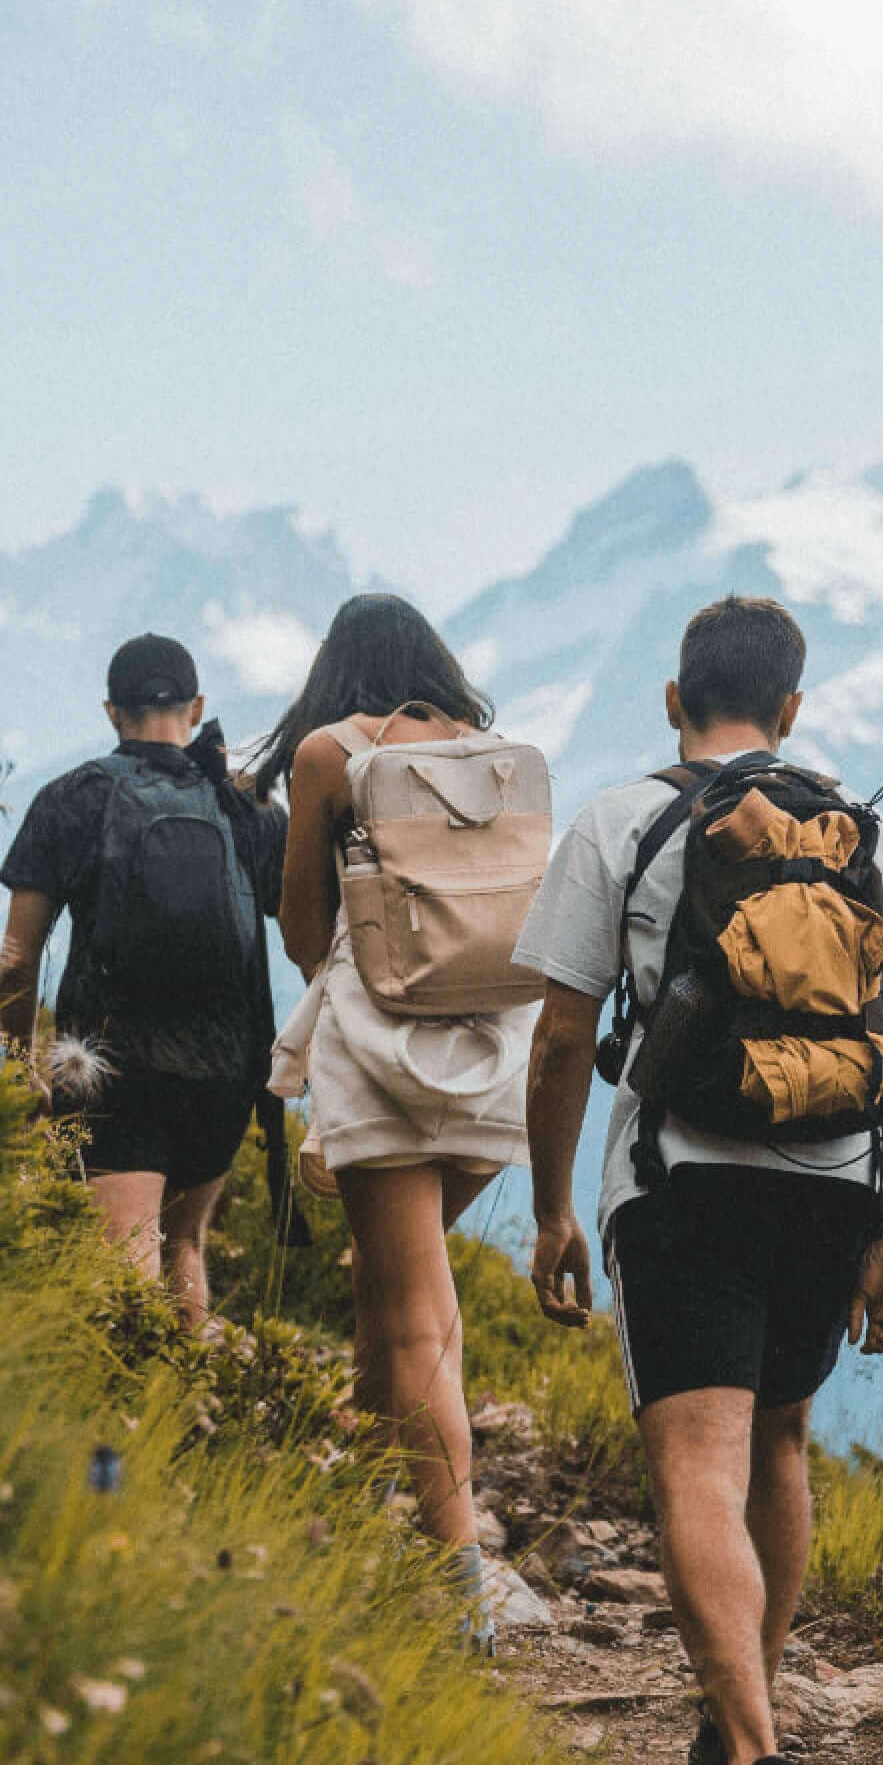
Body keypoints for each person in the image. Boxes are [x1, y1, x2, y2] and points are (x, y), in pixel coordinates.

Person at [516, 594, 883, 1765]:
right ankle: (738, 1730)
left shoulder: (623, 819)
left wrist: (552, 1206)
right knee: (780, 1442)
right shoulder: (871, 834)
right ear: (794, 708)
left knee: (695, 1466)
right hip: (832, 1180)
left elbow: (560, 1036)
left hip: (686, 1183)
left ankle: (757, 1752)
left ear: (674, 700)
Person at [254, 593, 533, 1651]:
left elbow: (300, 920)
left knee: (414, 1306)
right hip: (493, 1055)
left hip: (380, 1053)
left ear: (335, 668)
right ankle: (365, 1457)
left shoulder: (330, 753)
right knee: (392, 1277)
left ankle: (460, 1565)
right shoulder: (494, 753)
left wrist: (342, 966)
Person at [0, 631, 286, 1325]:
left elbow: (15, 956)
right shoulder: (248, 812)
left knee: (122, 1263)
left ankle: (126, 1422)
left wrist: (17, 1061)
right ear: (197, 707)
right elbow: (308, 933)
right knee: (184, 1244)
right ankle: (188, 1419)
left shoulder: (72, 798)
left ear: (110, 711)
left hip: (112, 1068)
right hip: (226, 1071)